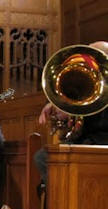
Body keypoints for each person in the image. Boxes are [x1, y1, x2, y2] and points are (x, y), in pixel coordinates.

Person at [35, 41, 108, 199]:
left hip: (101, 141)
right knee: (43, 156)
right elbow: (76, 101)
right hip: (86, 141)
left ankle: (64, 199)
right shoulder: (91, 82)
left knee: (48, 158)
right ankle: (60, 200)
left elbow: (97, 117)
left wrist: (74, 113)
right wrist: (59, 106)